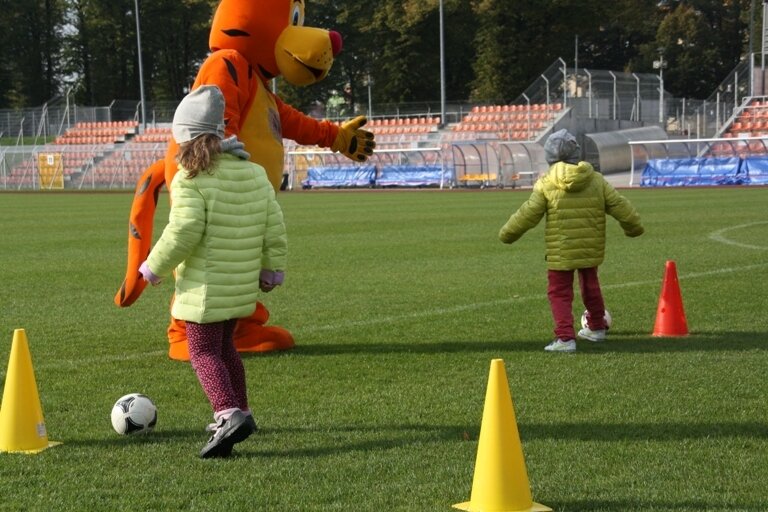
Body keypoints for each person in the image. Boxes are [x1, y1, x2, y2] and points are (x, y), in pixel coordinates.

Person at [138, 85, 288, 457]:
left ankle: (227, 414)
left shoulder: (191, 179)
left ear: (186, 138)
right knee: (226, 350)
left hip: (205, 288)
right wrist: (272, 269)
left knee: (203, 352)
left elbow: (183, 231)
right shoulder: (254, 173)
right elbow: (274, 225)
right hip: (240, 287)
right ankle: (243, 412)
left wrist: (153, 267)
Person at [498, 129, 644, 353]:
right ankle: (596, 327)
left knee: (559, 292)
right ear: (577, 153)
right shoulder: (596, 180)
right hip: (590, 247)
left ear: (549, 157)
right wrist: (633, 228)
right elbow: (620, 205)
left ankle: (565, 337)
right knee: (591, 286)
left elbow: (528, 214)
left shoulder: (547, 183)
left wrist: (507, 234)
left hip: (561, 249)